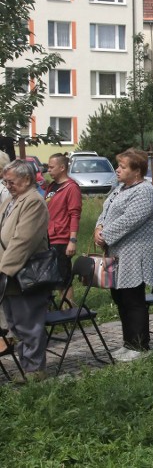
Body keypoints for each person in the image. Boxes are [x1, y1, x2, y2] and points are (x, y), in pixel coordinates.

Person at [95, 149, 153, 362]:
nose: (118, 170)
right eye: (119, 166)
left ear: (137, 171)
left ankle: (141, 346)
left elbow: (130, 219)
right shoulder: (119, 188)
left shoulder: (144, 191)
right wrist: (98, 227)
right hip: (117, 254)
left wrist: (105, 235)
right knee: (120, 298)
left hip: (135, 254)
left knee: (133, 299)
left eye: (123, 167)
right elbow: (105, 211)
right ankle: (128, 342)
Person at [0, 160, 50, 381]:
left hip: (23, 273)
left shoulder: (34, 202)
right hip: (9, 272)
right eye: (5, 181)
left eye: (10, 181)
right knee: (14, 322)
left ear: (27, 179)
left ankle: (35, 369)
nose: (7, 185)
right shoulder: (12, 200)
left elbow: (22, 241)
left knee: (28, 321)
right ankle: (26, 364)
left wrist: (3, 271)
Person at [44, 153, 82, 302]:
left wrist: (72, 240)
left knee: (63, 277)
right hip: (47, 236)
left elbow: (74, 214)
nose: (48, 170)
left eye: (51, 167)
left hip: (61, 237)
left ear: (62, 167)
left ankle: (69, 311)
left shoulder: (71, 188)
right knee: (50, 276)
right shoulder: (52, 186)